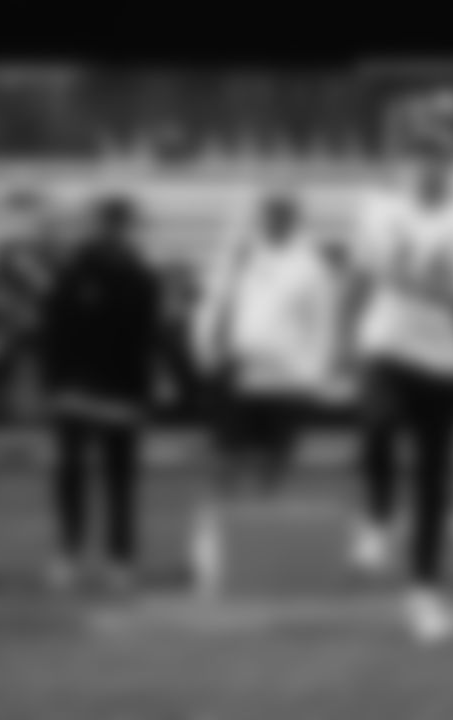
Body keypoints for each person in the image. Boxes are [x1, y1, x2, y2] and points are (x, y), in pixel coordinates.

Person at [346, 145, 453, 644]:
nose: (429, 168)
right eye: (420, 158)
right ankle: (377, 514)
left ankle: (425, 592)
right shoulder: (380, 211)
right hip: (387, 342)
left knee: (434, 482)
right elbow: (359, 275)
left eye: (439, 159)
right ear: (408, 166)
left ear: (452, 168)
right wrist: (340, 338)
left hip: (444, 359)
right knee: (376, 425)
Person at [187, 192, 350, 596]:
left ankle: (257, 555)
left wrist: (315, 374)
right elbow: (211, 307)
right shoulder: (236, 256)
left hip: (287, 380)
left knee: (273, 467)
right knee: (224, 465)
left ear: (295, 220)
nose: (276, 221)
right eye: (270, 215)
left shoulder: (311, 266)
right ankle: (209, 555)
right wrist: (206, 352)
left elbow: (324, 324)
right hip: (238, 372)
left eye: (284, 216)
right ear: (260, 218)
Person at [40, 197, 162, 591]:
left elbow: (147, 341)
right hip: (75, 389)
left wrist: (144, 395)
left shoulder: (142, 276)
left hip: (122, 390)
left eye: (122, 225)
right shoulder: (73, 272)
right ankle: (68, 555)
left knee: (120, 479)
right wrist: (52, 385)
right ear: (97, 226)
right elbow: (53, 332)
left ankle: (120, 558)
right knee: (71, 476)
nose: (115, 231)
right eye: (109, 224)